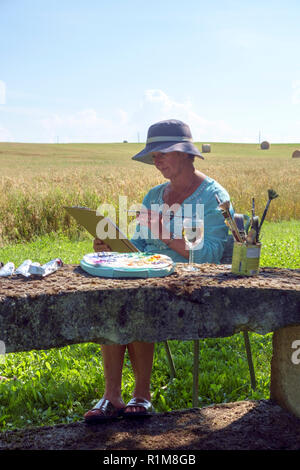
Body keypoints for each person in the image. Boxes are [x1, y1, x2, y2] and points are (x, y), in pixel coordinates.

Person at [84, 119, 231, 423]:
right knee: (115, 294)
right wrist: (113, 245)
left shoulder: (213, 197)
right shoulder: (154, 196)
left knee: (138, 298)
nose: (156, 161)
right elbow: (140, 245)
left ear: (185, 153)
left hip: (192, 283)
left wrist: (166, 234)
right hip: (148, 276)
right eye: (154, 156)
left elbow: (212, 255)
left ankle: (142, 394)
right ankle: (111, 395)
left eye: (162, 153)